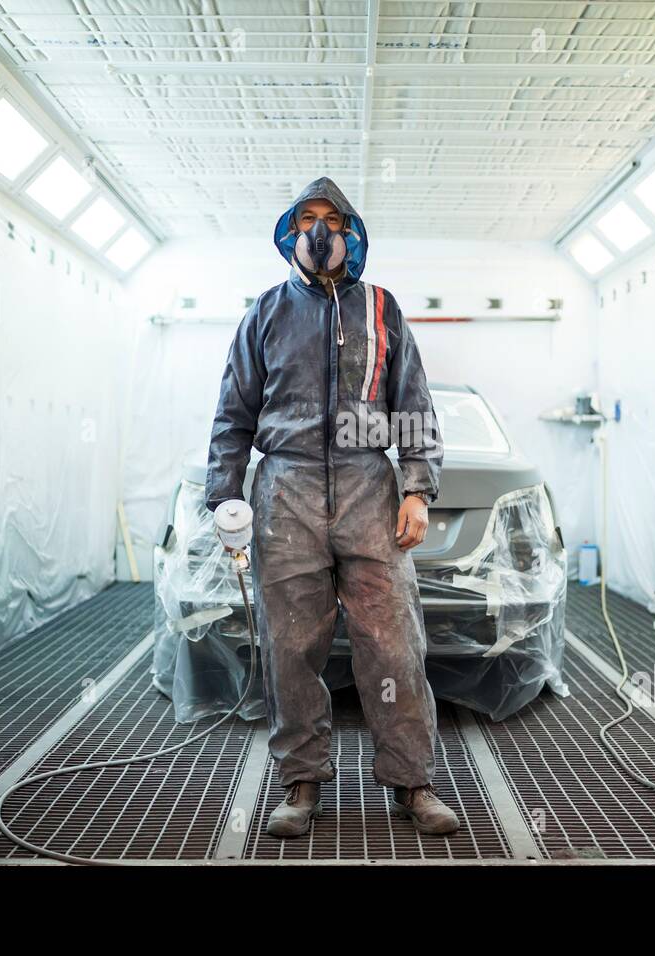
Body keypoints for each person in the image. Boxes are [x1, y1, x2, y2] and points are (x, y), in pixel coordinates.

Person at [205, 177, 458, 838]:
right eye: (307, 219)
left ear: (351, 232)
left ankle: (412, 781)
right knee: (291, 647)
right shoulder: (265, 313)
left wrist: (416, 488)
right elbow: (233, 414)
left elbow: (413, 405)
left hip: (367, 488)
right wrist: (226, 497)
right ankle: (302, 781)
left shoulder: (381, 308)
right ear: (290, 233)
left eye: (333, 219)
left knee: (393, 645)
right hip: (284, 492)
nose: (320, 230)